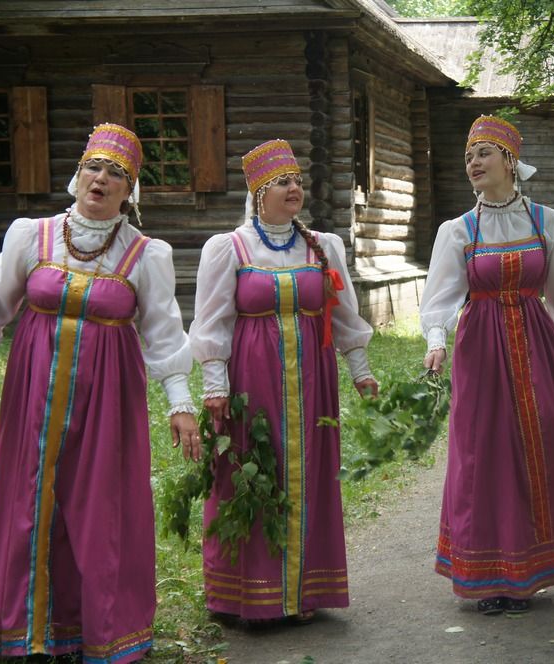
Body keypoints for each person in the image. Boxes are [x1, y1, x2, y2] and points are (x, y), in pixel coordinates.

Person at [0, 123, 199, 662]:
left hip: (109, 401)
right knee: (28, 497)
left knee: (100, 505)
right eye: (93, 168)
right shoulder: (30, 236)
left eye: (115, 174)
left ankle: (99, 631)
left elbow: (164, 333)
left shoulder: (147, 255)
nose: (101, 180)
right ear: (76, 175)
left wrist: (181, 402)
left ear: (131, 191)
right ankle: (24, 630)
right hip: (32, 392)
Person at [420, 115, 554, 615]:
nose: (473, 164)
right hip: (482, 351)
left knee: (543, 439)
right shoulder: (458, 230)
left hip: (537, 345)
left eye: (482, 154)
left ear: (509, 160)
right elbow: (439, 297)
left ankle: (533, 565)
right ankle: (491, 575)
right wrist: (436, 341)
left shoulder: (549, 223)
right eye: (468, 157)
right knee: (486, 453)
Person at [189, 139, 377, 624]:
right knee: (248, 476)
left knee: (311, 476)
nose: (295, 189)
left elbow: (346, 319)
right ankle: (245, 597)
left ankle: (303, 594)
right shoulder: (227, 249)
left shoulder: (324, 246)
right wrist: (214, 385)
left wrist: (362, 373)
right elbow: (212, 323)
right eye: (283, 183)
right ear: (258, 193)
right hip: (252, 382)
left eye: (297, 181)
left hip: (314, 385)